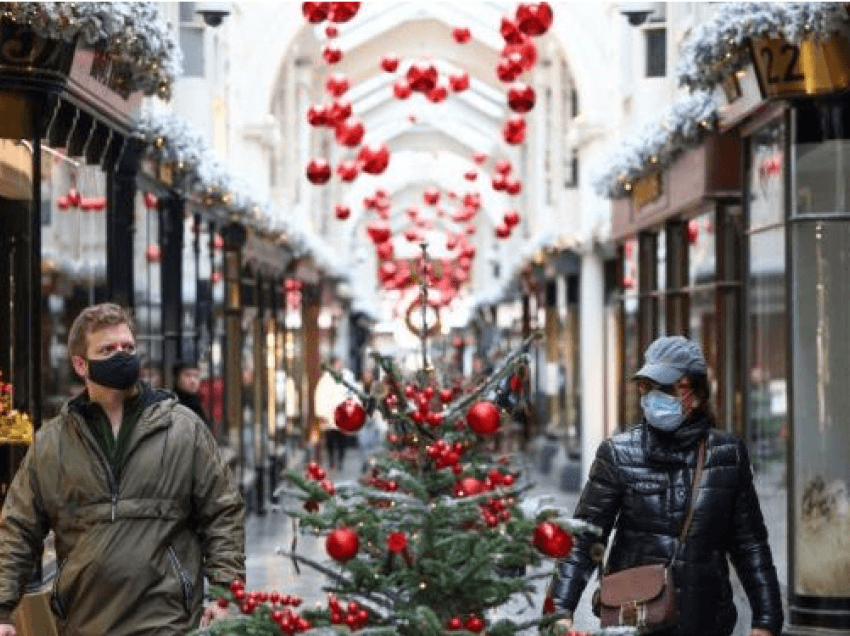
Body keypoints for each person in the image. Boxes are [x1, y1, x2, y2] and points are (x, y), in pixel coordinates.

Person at [0, 303, 245, 636]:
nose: (122, 356)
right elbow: (18, 528)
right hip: (85, 623)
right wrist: (2, 610)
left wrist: (225, 592)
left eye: (127, 348)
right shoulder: (52, 444)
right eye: (108, 349)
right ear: (80, 365)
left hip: (168, 622)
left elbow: (223, 512)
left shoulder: (183, 429)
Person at [549, 335, 783, 636]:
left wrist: (766, 621)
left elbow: (750, 545)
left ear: (693, 393)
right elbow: (582, 538)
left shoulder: (727, 455)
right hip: (634, 620)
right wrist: (559, 611)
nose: (650, 395)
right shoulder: (619, 453)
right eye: (646, 386)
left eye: (666, 387)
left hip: (707, 623)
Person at [314, 355, 352, 470]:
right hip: (329, 416)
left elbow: (348, 394)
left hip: (342, 416)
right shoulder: (325, 380)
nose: (339, 366)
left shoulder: (344, 377)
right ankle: (332, 460)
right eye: (337, 363)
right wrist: (321, 413)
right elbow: (319, 397)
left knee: (341, 441)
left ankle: (339, 461)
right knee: (330, 441)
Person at [173, 358, 211, 428]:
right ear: (177, 378)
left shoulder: (200, 402)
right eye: (187, 375)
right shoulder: (172, 403)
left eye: (196, 376)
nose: (192, 380)